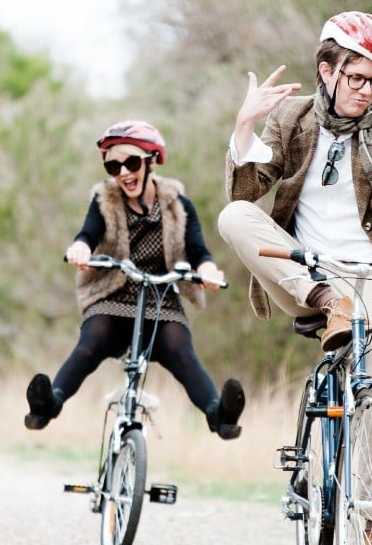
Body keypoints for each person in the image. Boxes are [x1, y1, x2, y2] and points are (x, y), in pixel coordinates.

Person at [218, 11, 372, 409]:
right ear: (326, 71)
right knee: (233, 216)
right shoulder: (290, 117)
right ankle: (330, 301)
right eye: (357, 78)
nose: (367, 91)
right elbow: (246, 190)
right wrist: (244, 125)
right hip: (305, 274)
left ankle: (365, 470)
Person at [24, 120, 245, 440]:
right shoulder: (105, 201)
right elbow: (88, 233)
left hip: (159, 298)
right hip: (113, 294)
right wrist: (80, 249)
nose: (124, 172)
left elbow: (198, 250)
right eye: (114, 165)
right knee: (90, 345)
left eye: (131, 162)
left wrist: (207, 271)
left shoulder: (178, 205)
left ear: (150, 161)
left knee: (181, 352)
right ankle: (46, 405)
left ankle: (220, 415)